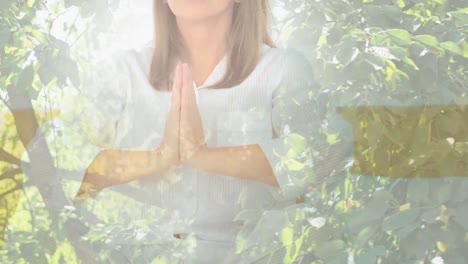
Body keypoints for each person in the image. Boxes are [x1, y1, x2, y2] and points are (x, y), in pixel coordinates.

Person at [23, 0, 329, 262]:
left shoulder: (282, 69)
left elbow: (313, 166)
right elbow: (69, 169)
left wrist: (203, 155)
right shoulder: (122, 72)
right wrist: (159, 158)